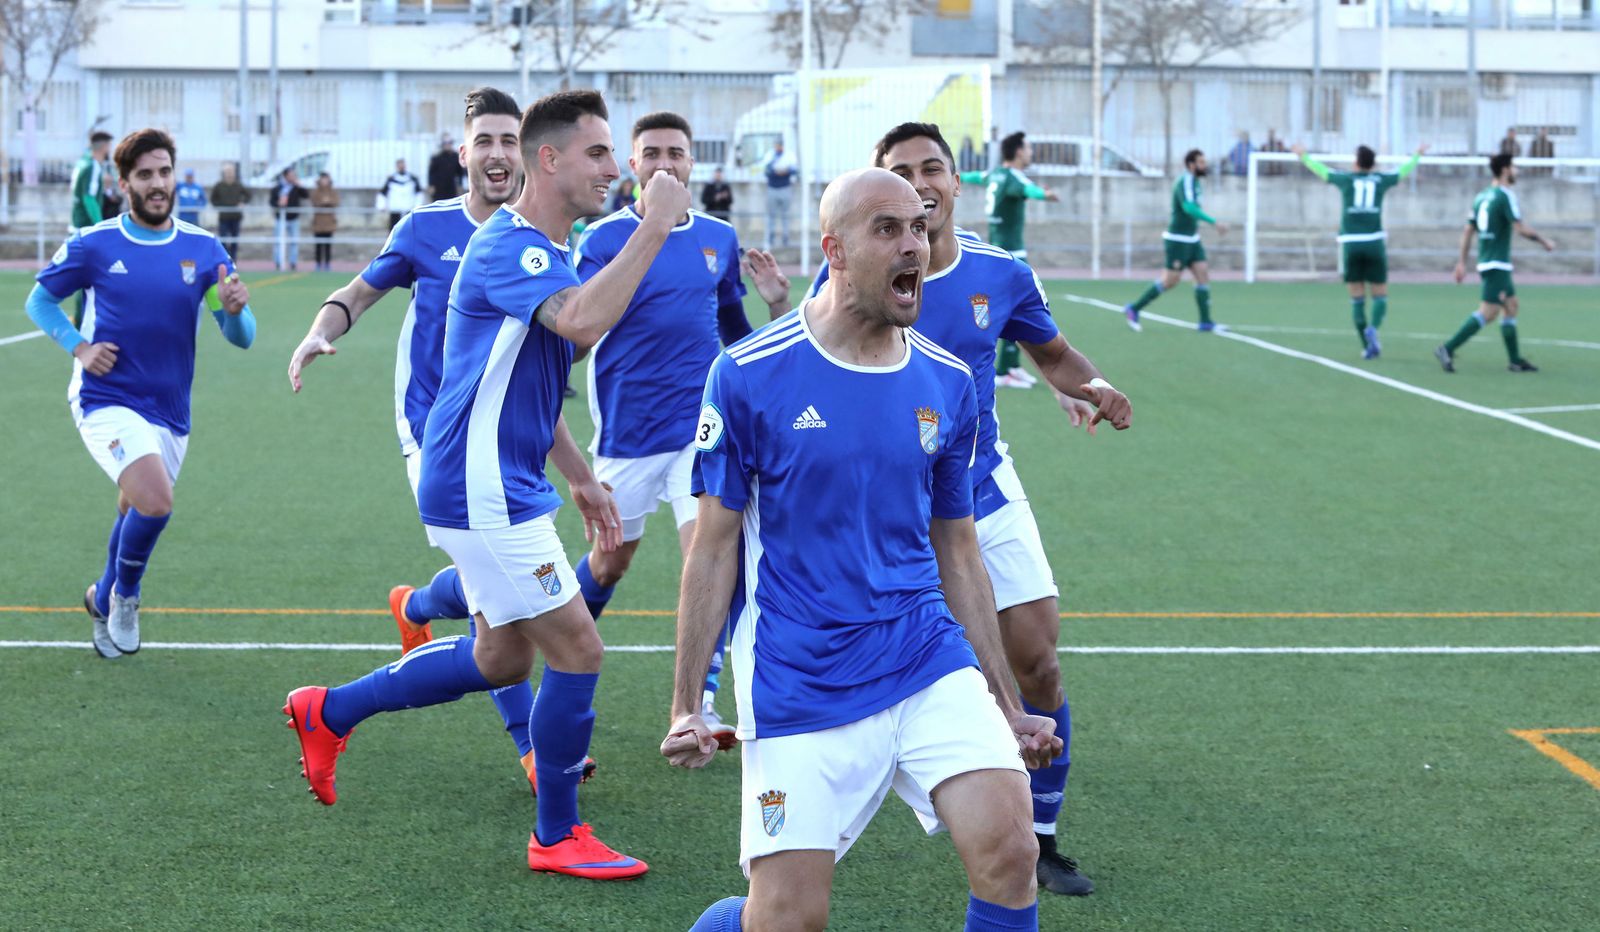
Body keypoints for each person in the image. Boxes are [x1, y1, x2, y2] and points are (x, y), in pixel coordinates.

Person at [283, 88, 690, 880]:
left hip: (499, 481)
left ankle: (328, 710)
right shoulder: (512, 246)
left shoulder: (547, 248)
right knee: (578, 648)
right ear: (550, 159)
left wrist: (579, 476)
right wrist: (653, 225)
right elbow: (579, 323)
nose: (617, 168)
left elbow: (533, 381)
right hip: (481, 488)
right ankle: (556, 834)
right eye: (599, 153)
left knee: (502, 659)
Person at [665, 167, 1063, 932]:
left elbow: (958, 548)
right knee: (786, 919)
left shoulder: (947, 383)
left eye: (919, 226)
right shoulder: (748, 374)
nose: (916, 242)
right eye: (889, 229)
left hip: (924, 653)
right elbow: (713, 550)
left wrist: (1005, 702)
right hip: (800, 674)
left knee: (1011, 849)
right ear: (835, 250)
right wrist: (688, 702)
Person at [806, 123, 1132, 896]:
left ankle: (1041, 833)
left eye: (931, 169)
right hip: (888, 510)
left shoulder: (1000, 272)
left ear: (956, 183)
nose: (919, 183)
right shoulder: (853, 277)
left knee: (1039, 660)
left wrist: (1091, 385)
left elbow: (1051, 352)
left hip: (983, 488)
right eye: (898, 172)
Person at [570, 111, 790, 748]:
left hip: (701, 431)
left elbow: (734, 336)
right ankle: (563, 638)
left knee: (712, 556)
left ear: (694, 163)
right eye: (652, 153)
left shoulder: (719, 237)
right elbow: (577, 330)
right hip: (627, 436)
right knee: (610, 564)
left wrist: (777, 303)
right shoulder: (604, 238)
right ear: (631, 165)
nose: (665, 163)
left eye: (677, 153)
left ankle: (699, 704)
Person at [24, 129, 255, 659]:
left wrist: (237, 311)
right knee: (155, 501)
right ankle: (125, 595)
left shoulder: (204, 249)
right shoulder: (93, 243)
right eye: (145, 175)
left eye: (165, 172)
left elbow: (241, 338)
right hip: (105, 398)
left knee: (134, 506)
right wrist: (79, 347)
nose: (157, 184)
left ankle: (100, 593)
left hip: (171, 409)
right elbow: (39, 302)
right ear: (123, 181)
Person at [1293, 142, 1427, 359]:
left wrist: (1304, 156)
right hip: (1374, 242)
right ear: (1373, 164)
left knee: (1356, 297)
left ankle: (1368, 345)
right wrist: (1416, 155)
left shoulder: (1346, 179)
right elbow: (1401, 172)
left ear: (1356, 162)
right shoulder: (1381, 180)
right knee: (1380, 295)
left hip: (1350, 244)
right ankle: (1373, 328)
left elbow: (1323, 171)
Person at [1436, 154, 1555, 373]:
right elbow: (1519, 228)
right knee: (1489, 312)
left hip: (1488, 262)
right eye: (1514, 167)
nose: (1517, 171)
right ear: (1504, 170)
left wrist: (1462, 262)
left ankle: (1515, 361)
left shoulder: (1481, 196)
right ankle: (1447, 348)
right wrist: (1544, 241)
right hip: (1496, 263)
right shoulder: (1504, 195)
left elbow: (1468, 230)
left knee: (1511, 306)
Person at [961, 131, 1057, 391]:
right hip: (1011, 254)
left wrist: (955, 176)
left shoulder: (995, 174)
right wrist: (1045, 196)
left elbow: (974, 177)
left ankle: (1012, 366)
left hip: (996, 250)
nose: (1031, 152)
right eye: (1027, 148)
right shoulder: (1013, 176)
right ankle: (1002, 370)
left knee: (1016, 308)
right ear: (1017, 151)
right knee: (1015, 310)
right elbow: (1028, 189)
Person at [1122, 149, 1229, 333]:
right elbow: (1188, 208)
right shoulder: (1185, 181)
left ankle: (1205, 322)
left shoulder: (1195, 182)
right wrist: (1214, 222)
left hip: (1192, 238)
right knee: (1171, 280)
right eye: (1201, 162)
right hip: (1177, 240)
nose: (1205, 165)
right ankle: (1134, 308)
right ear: (1191, 165)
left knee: (1202, 274)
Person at [69, 131, 114, 326]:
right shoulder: (93, 166)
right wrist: (100, 225)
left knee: (83, 275)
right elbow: (89, 197)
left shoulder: (81, 163)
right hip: (86, 228)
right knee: (90, 276)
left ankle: (80, 317)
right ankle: (82, 319)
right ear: (104, 147)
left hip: (76, 224)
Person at [210, 163, 249, 261]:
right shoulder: (219, 186)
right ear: (224, 173)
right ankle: (225, 260)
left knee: (234, 241)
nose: (230, 174)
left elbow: (248, 195)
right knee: (223, 240)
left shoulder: (238, 185)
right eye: (227, 172)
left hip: (236, 217)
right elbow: (213, 199)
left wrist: (242, 202)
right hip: (224, 218)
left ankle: (234, 261)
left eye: (231, 171)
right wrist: (219, 206)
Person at [273, 168, 309, 271]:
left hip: (294, 218)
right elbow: (272, 201)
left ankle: (293, 263)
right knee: (278, 241)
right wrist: (278, 204)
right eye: (291, 175)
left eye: (294, 175)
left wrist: (299, 185)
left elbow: (306, 195)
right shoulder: (278, 187)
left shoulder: (296, 187)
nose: (293, 177)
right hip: (280, 218)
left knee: (294, 241)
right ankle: (278, 262)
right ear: (285, 176)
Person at [762, 139, 795, 249]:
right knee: (771, 215)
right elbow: (767, 170)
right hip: (772, 188)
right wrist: (777, 172)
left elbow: (794, 170)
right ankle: (770, 239)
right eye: (777, 145)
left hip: (785, 188)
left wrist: (784, 172)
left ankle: (785, 239)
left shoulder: (789, 155)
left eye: (780, 145)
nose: (778, 147)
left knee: (785, 215)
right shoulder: (770, 155)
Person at [309, 172, 339, 271]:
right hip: (318, 222)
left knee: (328, 245)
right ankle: (318, 264)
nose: (325, 181)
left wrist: (327, 201)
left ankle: (327, 264)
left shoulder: (332, 191)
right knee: (318, 245)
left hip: (329, 222)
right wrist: (324, 201)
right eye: (323, 179)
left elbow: (336, 202)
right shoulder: (316, 191)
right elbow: (314, 201)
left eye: (326, 179)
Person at [381, 158, 423, 229]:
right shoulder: (391, 179)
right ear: (397, 166)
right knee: (394, 227)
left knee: (409, 227)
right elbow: (383, 193)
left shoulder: (413, 179)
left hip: (409, 207)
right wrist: (382, 205)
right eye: (399, 165)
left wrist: (417, 206)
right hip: (395, 208)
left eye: (402, 164)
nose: (401, 166)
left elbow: (418, 193)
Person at [427, 134, 462, 202]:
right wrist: (431, 185)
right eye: (445, 143)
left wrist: (460, 185)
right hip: (438, 188)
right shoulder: (436, 157)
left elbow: (460, 173)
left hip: (451, 188)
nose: (447, 145)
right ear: (442, 144)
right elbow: (431, 172)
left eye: (449, 142)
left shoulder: (455, 156)